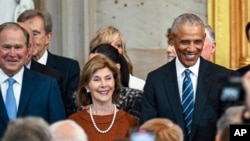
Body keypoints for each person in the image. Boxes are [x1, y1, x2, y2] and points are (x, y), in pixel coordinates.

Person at [140, 13, 239, 141]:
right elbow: (146, 132)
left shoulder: (226, 78)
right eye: (185, 42)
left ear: (204, 39)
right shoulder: (155, 80)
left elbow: (235, 129)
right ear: (172, 40)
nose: (191, 49)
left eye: (197, 42)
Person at [0, 22, 66, 137]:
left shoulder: (47, 86)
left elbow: (59, 134)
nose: (12, 53)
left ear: (28, 51)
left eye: (18, 47)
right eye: (6, 47)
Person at [17, 10, 80, 109]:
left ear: (48, 37)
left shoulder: (69, 68)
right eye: (24, 34)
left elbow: (70, 110)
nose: (30, 40)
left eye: (35, 34)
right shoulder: (10, 68)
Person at [69, 55, 137, 141]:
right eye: (96, 79)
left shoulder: (130, 122)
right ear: (86, 85)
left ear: (115, 83)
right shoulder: (74, 122)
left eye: (108, 78)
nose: (104, 85)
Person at [89, 44, 143, 121]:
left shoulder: (132, 97)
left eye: (97, 64)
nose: (91, 68)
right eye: (89, 65)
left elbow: (136, 129)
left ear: (116, 69)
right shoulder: (81, 100)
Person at [89, 25, 145, 91]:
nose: (113, 49)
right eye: (107, 46)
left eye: (118, 45)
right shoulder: (85, 87)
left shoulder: (139, 86)